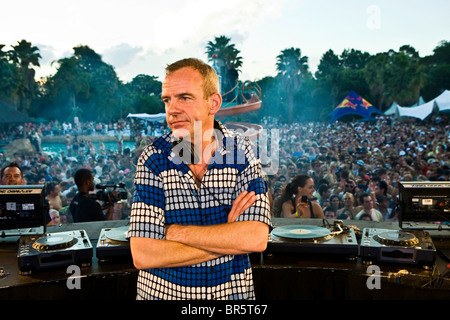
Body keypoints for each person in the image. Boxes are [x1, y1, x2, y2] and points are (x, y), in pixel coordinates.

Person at [126, 58, 271, 300]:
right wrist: (228, 237)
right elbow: (144, 254)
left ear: (213, 103)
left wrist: (172, 232)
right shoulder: (153, 158)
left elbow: (255, 238)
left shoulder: (242, 151)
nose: (171, 109)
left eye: (184, 97)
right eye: (167, 100)